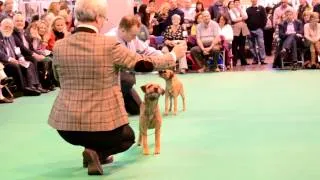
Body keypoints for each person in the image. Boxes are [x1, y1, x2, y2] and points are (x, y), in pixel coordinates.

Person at [48, 0, 186, 176]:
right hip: (103, 127)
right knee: (127, 138)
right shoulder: (110, 45)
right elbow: (141, 63)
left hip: (66, 128)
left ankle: (91, 151)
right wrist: (173, 55)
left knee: (90, 132)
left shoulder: (59, 46)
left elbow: (57, 78)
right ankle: (97, 153)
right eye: (104, 18)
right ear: (98, 18)